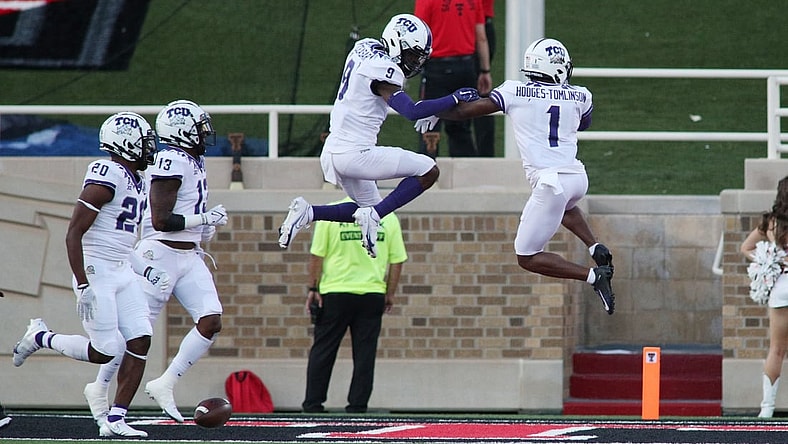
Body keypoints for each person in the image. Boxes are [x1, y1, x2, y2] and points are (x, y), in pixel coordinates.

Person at [417, 38, 616, 314]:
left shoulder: (516, 91)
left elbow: (464, 112)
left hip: (550, 182)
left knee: (527, 256)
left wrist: (433, 110)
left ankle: (594, 277)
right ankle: (595, 246)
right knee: (565, 207)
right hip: (576, 178)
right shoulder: (582, 95)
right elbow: (584, 122)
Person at [12, 112, 169, 437]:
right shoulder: (107, 173)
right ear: (125, 145)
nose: (148, 148)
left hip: (122, 270)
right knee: (105, 351)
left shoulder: (137, 179)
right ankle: (40, 336)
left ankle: (115, 419)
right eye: (143, 143)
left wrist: (147, 269)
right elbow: (73, 233)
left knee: (140, 338)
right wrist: (82, 282)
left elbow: (124, 244)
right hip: (97, 272)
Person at [278, 13, 479, 259]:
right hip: (355, 155)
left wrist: (435, 111)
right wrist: (454, 97)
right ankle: (370, 216)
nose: (414, 63)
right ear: (396, 43)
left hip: (332, 151)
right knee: (429, 171)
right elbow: (412, 112)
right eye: (412, 55)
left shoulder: (364, 48)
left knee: (374, 210)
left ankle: (308, 212)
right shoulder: (385, 70)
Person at [302, 197, 407, 413]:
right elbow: (397, 261)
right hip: (372, 293)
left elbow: (317, 255)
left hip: (335, 292)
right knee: (365, 354)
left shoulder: (331, 214)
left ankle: (313, 404)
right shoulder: (387, 216)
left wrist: (313, 289)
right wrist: (390, 293)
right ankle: (357, 405)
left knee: (323, 349)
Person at [414, 0, 492, 158]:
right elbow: (481, 37)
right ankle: (466, 177)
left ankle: (426, 174)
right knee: (462, 127)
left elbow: (417, 35)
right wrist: (485, 70)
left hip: (436, 70)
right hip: (466, 68)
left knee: (429, 126)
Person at [741, 176, 788, 418]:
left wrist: (768, 260)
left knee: (777, 349)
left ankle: (766, 409)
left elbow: (745, 248)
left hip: (781, 287)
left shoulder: (771, 223)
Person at [473, 0, 497, 157]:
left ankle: (482, 155)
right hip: (476, 24)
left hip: (472, 24)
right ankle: (484, 155)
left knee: (478, 95)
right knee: (480, 94)